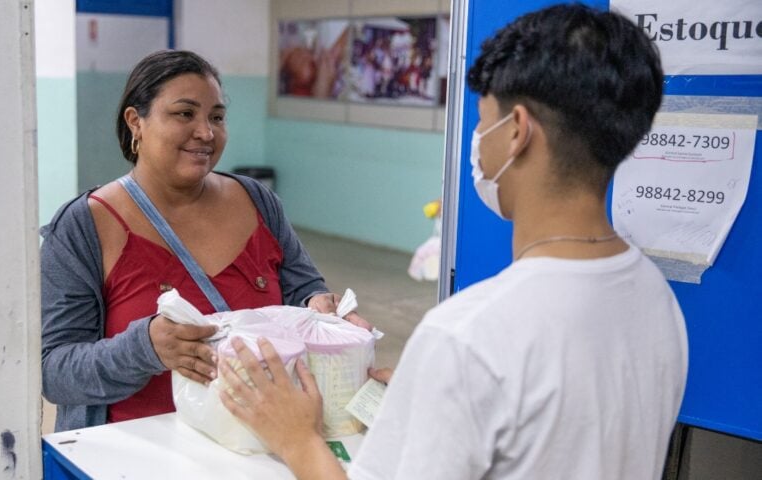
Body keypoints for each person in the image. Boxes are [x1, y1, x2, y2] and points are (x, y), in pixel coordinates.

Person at [218, 5, 688, 479]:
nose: (479, 141)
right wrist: (432, 396)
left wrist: (297, 440)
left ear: (518, 132)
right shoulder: (655, 296)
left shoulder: (468, 335)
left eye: (484, 123)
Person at [41, 50, 369, 432]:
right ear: (136, 122)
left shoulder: (257, 201)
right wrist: (145, 348)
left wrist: (320, 309)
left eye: (216, 117)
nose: (206, 132)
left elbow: (305, 289)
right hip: (134, 456)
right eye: (185, 113)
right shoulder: (84, 225)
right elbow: (55, 371)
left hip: (257, 447)